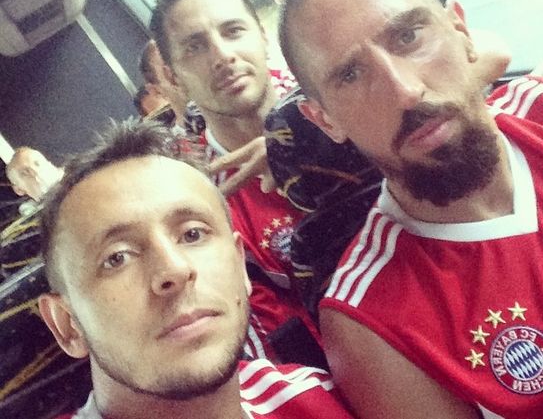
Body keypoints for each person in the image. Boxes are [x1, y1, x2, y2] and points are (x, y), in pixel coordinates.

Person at [278, 0, 543, 419]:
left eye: (408, 37)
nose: (404, 90)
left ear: (460, 29)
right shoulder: (371, 323)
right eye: (351, 75)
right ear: (324, 119)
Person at [37, 119, 353, 419]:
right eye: (117, 257)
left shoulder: (314, 395)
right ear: (67, 324)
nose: (175, 270)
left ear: (240, 266)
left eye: (192, 234)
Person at [149, 0, 323, 364]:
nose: (222, 56)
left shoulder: (334, 98)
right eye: (195, 46)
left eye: (233, 31)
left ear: (262, 35)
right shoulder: (195, 198)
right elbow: (269, 342)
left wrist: (296, 141)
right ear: (173, 77)